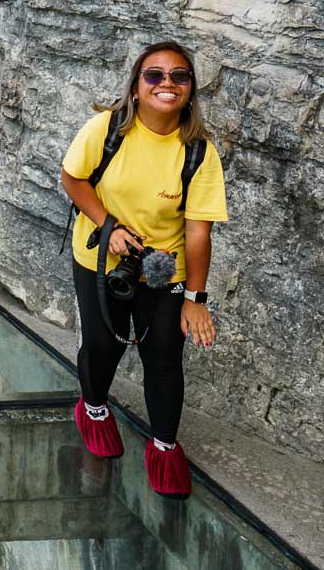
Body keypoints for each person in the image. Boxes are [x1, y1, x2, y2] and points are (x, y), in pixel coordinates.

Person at [61, 40, 228, 500]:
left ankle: (163, 446)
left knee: (164, 355)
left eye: (179, 76)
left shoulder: (198, 152)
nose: (167, 84)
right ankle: (92, 408)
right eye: (154, 75)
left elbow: (198, 232)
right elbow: (73, 178)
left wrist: (195, 300)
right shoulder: (106, 129)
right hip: (99, 255)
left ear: (191, 90)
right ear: (136, 87)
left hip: (163, 269)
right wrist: (107, 224)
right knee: (101, 343)